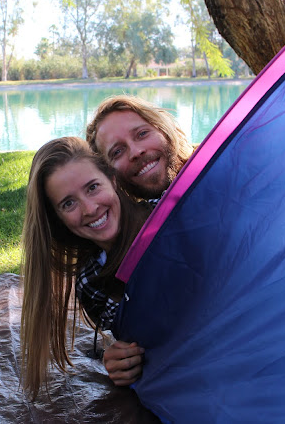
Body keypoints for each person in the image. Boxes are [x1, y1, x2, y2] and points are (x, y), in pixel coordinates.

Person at [20, 136, 155, 397]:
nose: (90, 208)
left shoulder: (167, 218)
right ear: (58, 219)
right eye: (68, 203)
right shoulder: (91, 283)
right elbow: (137, 345)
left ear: (113, 180)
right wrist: (120, 359)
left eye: (93, 187)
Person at [86, 95, 195, 386]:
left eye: (142, 134)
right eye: (118, 151)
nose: (136, 152)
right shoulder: (133, 243)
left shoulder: (219, 170)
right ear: (110, 176)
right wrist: (119, 354)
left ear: (163, 129)